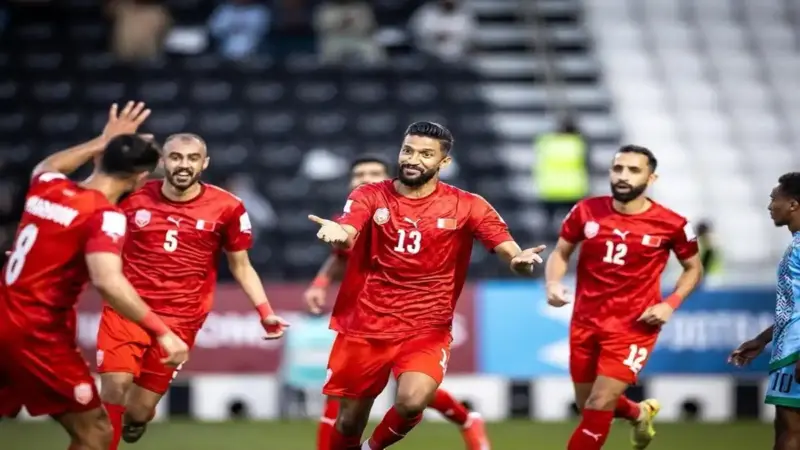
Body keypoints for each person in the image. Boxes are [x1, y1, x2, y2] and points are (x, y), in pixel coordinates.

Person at [308, 122, 546, 450]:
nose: (413, 159)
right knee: (348, 420)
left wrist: (517, 259)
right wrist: (341, 233)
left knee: (413, 400)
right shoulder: (370, 194)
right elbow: (350, 228)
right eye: (407, 150)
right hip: (367, 324)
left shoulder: (467, 204)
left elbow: (504, 244)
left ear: (443, 162)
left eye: (425, 154)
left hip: (427, 326)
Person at [0, 102, 189, 450]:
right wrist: (163, 332)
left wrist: (102, 140)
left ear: (100, 159)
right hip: (35, 332)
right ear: (140, 178)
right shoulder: (103, 215)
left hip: (4, 313)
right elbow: (108, 281)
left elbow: (48, 165)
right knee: (96, 434)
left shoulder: (48, 188)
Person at [96, 132, 289, 450]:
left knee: (138, 412)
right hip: (126, 309)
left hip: (181, 319)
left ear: (204, 163)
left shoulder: (228, 207)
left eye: (192, 158)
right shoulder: (132, 196)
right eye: (176, 157)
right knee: (114, 390)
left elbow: (241, 266)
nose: (183, 165)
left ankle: (134, 421)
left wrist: (265, 312)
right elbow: (87, 211)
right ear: (162, 161)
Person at [304, 155, 493, 450]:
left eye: (373, 173)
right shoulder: (348, 219)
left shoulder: (405, 218)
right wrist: (320, 283)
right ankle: (467, 419)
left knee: (412, 392)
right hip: (359, 319)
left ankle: (466, 419)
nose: (366, 179)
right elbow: (340, 255)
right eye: (359, 174)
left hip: (407, 318)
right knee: (342, 401)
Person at [544, 144, 703, 450]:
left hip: (634, 325)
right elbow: (561, 252)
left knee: (600, 401)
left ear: (651, 178)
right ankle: (639, 412)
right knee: (588, 405)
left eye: (633, 170)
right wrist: (553, 283)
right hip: (585, 321)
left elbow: (693, 269)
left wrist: (670, 304)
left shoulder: (673, 224)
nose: (623, 176)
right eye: (618, 168)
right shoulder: (586, 211)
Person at [730, 172, 800, 450]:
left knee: (791, 431)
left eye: (774, 199)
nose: (770, 206)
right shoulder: (795, 244)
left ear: (793, 204)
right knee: (784, 427)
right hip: (788, 346)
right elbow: (793, 306)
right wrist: (761, 340)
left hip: (796, 348)